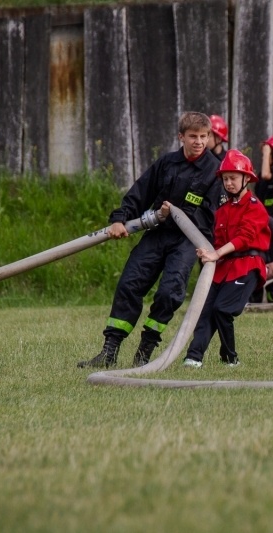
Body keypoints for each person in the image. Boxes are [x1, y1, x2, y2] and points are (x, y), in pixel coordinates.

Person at [78, 112, 222, 369]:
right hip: (156, 234)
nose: (199, 141)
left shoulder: (215, 171)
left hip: (188, 241)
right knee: (129, 284)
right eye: (193, 137)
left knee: (169, 293)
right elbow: (140, 192)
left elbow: (210, 216)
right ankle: (109, 352)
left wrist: (178, 213)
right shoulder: (167, 163)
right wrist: (120, 219)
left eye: (203, 136)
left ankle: (145, 350)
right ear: (181, 137)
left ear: (209, 137)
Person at [183, 150, 271, 368]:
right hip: (223, 267)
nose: (228, 183)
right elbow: (218, 241)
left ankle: (230, 358)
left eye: (233, 178)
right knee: (205, 312)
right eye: (225, 178)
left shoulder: (255, 207)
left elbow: (244, 238)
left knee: (222, 310)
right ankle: (193, 357)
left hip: (247, 266)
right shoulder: (222, 210)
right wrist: (207, 253)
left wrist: (216, 254)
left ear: (247, 179)